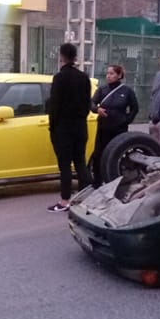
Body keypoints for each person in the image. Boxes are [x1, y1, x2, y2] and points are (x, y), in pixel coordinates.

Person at [47, 42, 92, 212]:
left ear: (61, 56)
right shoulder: (84, 77)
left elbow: (54, 106)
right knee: (81, 162)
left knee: (65, 165)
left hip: (63, 128)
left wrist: (52, 127)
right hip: (81, 126)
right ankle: (85, 199)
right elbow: (88, 103)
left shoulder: (60, 78)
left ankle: (65, 201)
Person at [89, 64, 139, 186]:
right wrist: (97, 110)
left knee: (118, 153)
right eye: (108, 73)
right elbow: (91, 103)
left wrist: (126, 120)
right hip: (103, 127)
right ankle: (97, 181)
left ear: (119, 75)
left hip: (119, 129)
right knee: (99, 153)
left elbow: (134, 108)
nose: (109, 76)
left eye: (111, 73)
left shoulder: (127, 91)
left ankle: (117, 179)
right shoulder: (102, 89)